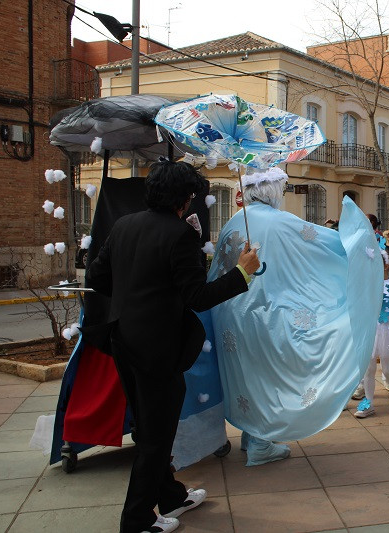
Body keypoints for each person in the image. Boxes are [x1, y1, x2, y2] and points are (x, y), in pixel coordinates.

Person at [85, 160, 261, 533]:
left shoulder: (123, 225)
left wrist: (139, 295)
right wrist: (243, 272)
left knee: (152, 427)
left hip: (123, 341)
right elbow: (197, 296)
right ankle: (135, 521)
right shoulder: (179, 235)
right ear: (184, 200)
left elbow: (98, 277)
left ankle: (172, 497)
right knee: (155, 437)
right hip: (157, 351)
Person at [208, 167, 382, 464]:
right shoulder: (279, 221)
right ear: (272, 190)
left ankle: (254, 435)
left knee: (249, 375)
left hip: (228, 313)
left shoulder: (234, 221)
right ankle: (261, 444)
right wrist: (357, 241)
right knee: (266, 374)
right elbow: (321, 244)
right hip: (263, 314)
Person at [354, 249, 389, 418]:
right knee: (368, 369)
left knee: (387, 368)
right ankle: (368, 402)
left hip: (386, 329)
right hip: (369, 330)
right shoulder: (367, 285)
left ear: (386, 265)